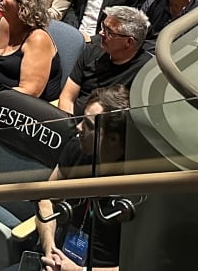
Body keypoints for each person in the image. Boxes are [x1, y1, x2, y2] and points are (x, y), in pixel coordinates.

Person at [27, 86, 132, 271]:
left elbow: (136, 266)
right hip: (57, 261)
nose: (78, 128)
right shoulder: (78, 148)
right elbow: (46, 199)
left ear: (114, 139)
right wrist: (49, 247)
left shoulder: (137, 186)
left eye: (89, 126)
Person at [58, 6, 152, 114]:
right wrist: (68, 125)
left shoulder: (145, 72)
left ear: (129, 42)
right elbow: (67, 97)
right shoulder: (92, 51)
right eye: (103, 27)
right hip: (70, 118)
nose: (101, 33)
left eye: (109, 32)